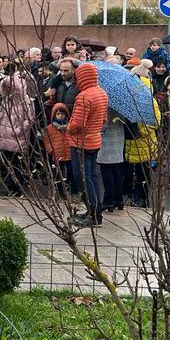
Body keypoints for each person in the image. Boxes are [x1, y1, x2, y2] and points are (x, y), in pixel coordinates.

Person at [68, 64, 109, 228]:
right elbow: (104, 119)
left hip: (81, 143)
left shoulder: (84, 96)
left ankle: (93, 214)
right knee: (92, 177)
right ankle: (96, 212)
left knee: (83, 179)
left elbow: (77, 124)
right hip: (95, 141)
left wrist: (68, 126)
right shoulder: (101, 93)